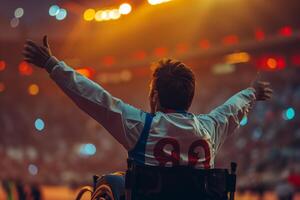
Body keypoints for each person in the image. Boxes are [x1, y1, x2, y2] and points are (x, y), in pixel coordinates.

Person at [23, 36, 272, 198]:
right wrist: (253, 92)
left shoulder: (141, 127)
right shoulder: (211, 128)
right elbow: (233, 107)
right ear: (190, 98)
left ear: (155, 97)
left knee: (110, 182)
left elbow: (94, 97)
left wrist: (52, 65)